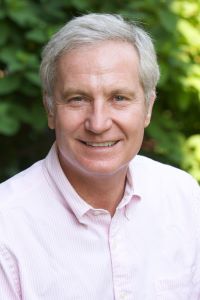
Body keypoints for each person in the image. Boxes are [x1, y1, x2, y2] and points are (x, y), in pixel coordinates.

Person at [0, 13, 200, 300]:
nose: (98, 123)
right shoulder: (6, 226)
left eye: (119, 98)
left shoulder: (183, 196)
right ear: (50, 110)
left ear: (148, 108)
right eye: (77, 99)